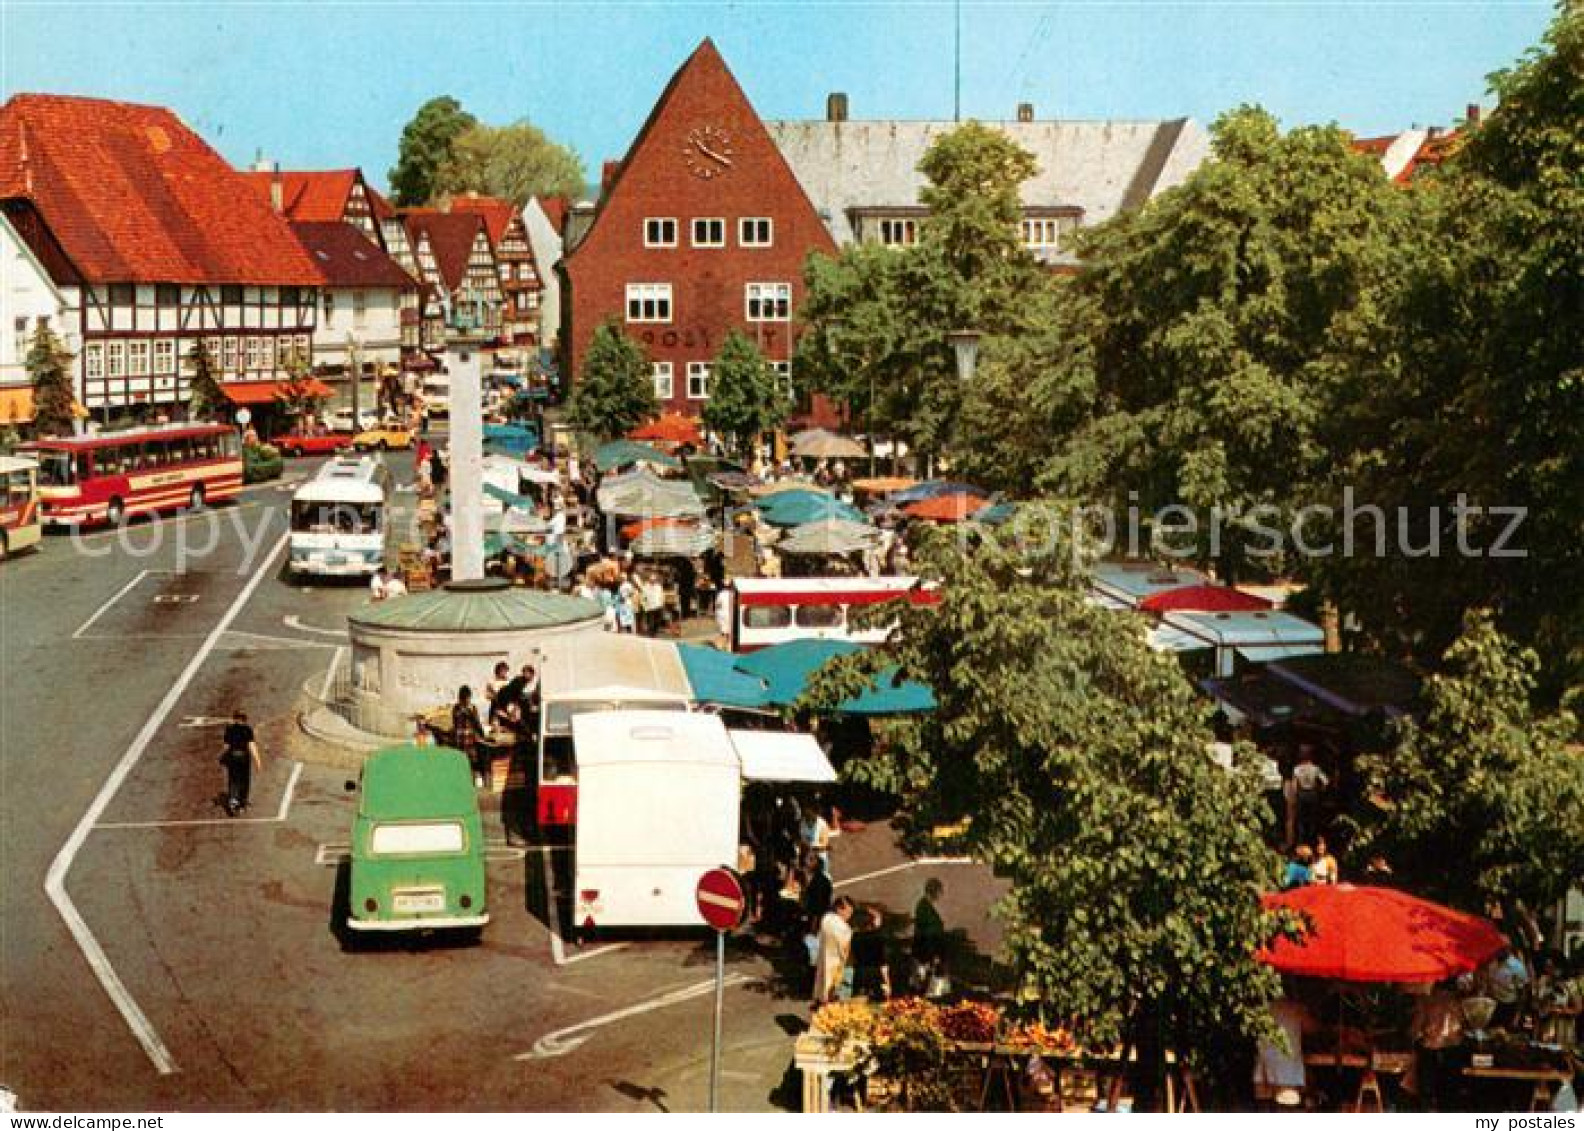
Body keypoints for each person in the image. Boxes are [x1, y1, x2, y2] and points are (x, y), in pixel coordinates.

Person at [813, 896, 856, 1005]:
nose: (849, 916)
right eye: (848, 912)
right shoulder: (845, 929)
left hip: (824, 963)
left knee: (821, 992)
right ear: (839, 909)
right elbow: (847, 951)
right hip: (837, 968)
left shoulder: (826, 919)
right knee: (836, 998)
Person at [219, 710, 261, 816]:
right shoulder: (247, 729)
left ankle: (233, 800)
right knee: (244, 780)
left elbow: (226, 746)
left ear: (235, 718)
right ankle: (242, 804)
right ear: (244, 718)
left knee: (233, 779)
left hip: (232, 757)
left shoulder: (229, 729)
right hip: (244, 758)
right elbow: (251, 746)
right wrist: (257, 760)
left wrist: (221, 756)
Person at [911, 878, 947, 991]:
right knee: (922, 980)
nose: (940, 895)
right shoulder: (924, 907)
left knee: (924, 978)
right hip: (925, 950)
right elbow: (928, 931)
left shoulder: (925, 905)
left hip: (926, 949)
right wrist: (933, 952)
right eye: (939, 892)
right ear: (934, 891)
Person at [850, 907, 891, 1001]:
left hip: (859, 973)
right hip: (874, 975)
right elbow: (882, 963)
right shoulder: (878, 938)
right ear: (872, 921)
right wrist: (888, 983)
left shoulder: (855, 937)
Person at [1291, 747, 1329, 846]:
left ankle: (1301, 841)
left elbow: (1294, 785)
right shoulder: (1316, 769)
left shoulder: (1297, 769)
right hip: (1312, 794)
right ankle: (1311, 840)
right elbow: (1325, 782)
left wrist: (1294, 797)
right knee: (1312, 818)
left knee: (1300, 819)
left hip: (1301, 794)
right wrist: (1321, 791)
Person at [450, 686, 487, 788]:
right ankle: (468, 780)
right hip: (463, 738)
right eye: (466, 697)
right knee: (468, 760)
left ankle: (473, 779)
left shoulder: (466, 708)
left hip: (467, 737)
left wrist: (481, 734)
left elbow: (476, 723)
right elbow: (474, 723)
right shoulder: (459, 708)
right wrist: (482, 734)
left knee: (471, 760)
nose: (468, 699)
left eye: (468, 697)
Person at [801, 801, 832, 874]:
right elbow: (803, 838)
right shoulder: (803, 823)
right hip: (809, 858)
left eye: (810, 816)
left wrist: (814, 850)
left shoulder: (823, 825)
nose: (808, 819)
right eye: (807, 817)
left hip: (820, 859)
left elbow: (824, 844)